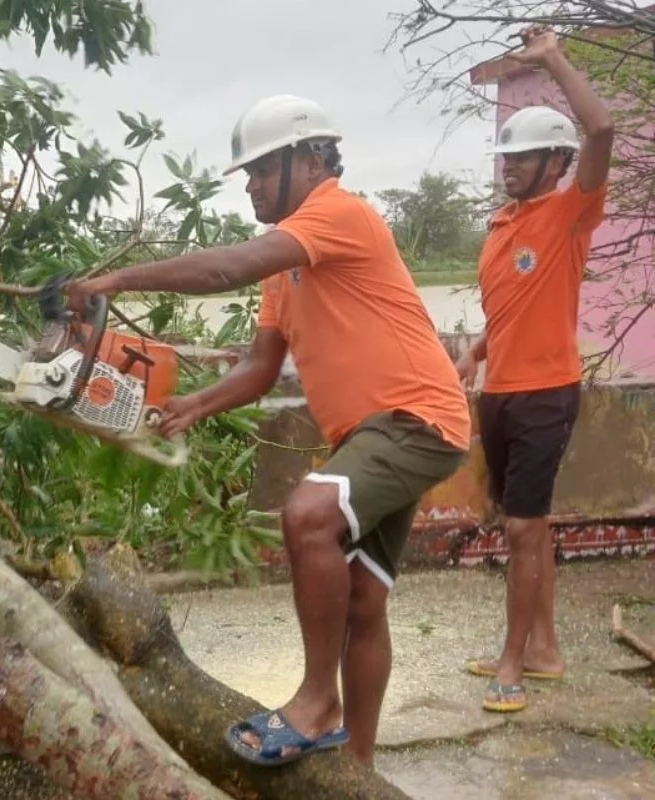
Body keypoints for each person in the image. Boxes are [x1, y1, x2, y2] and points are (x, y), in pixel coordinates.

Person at [66, 94, 470, 768]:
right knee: (364, 601)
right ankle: (359, 766)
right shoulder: (288, 268)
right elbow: (259, 369)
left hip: (415, 419)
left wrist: (121, 278)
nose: (249, 185)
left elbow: (227, 266)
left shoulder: (338, 213)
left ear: (310, 160)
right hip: (372, 437)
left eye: (258, 170)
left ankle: (317, 703)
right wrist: (195, 405)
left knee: (309, 516)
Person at [454, 25, 614, 713]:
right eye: (505, 156)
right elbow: (513, 307)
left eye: (522, 157)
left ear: (556, 161)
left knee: (522, 528)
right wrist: (476, 352)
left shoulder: (570, 212)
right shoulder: (501, 226)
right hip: (500, 393)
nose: (508, 166)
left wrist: (553, 56)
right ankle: (543, 646)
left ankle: (514, 662)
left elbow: (602, 129)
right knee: (526, 525)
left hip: (548, 392)